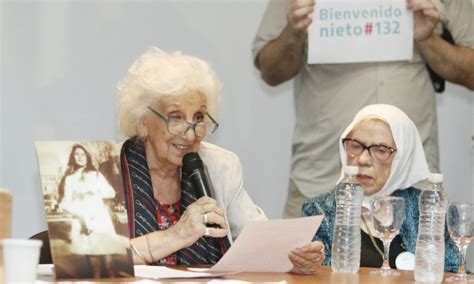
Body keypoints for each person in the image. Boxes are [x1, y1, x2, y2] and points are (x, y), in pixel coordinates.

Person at [252, 0, 474, 218]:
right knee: (302, 255)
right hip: (319, 181)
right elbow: (270, 71)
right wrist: (294, 32)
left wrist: (428, 40)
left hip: (409, 188)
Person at [117, 47, 324, 273]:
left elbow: (260, 241)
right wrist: (176, 235)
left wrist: (294, 256)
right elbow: (83, 259)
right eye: (175, 118)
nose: (190, 133)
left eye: (198, 118)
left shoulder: (219, 165)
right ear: (143, 122)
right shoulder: (105, 169)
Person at [302, 104, 459, 272]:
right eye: (356, 146)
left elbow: (453, 273)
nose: (363, 159)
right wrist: (308, 264)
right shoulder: (318, 210)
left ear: (402, 158)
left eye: (381, 150)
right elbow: (314, 274)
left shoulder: (430, 210)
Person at [60, 144, 129, 277]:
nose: (80, 157)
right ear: (73, 157)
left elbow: (111, 193)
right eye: (77, 154)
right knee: (94, 268)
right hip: (82, 221)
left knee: (109, 265)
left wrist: (93, 192)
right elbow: (65, 203)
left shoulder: (96, 175)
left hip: (100, 219)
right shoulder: (69, 179)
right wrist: (79, 214)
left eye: (82, 154)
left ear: (87, 157)